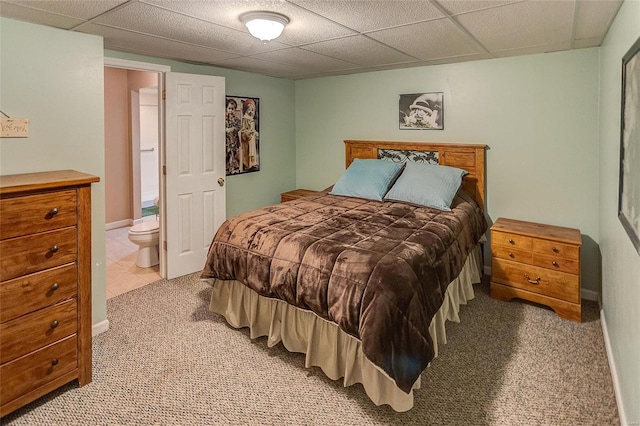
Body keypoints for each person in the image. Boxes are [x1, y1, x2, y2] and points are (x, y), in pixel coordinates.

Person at [240, 98, 259, 171]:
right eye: (248, 110)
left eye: (252, 110)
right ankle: (248, 164)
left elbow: (253, 128)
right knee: (248, 150)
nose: (250, 112)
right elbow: (244, 129)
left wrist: (254, 132)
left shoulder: (251, 119)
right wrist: (248, 133)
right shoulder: (245, 119)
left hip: (252, 137)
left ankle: (253, 163)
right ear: (246, 111)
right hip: (248, 137)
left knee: (253, 150)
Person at [225, 98, 241, 174]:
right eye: (229, 108)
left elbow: (239, 126)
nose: (231, 111)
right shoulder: (224, 119)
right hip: (226, 141)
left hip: (234, 141)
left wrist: (232, 129)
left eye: (233, 109)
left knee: (233, 154)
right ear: (226, 109)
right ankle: (227, 168)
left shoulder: (236, 119)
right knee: (227, 154)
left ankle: (233, 168)